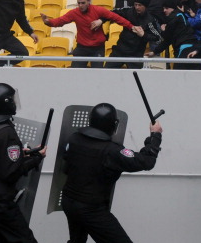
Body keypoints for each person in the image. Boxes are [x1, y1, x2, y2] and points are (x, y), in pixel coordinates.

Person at [62, 103, 162, 243]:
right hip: (91, 209)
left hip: (68, 201)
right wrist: (155, 135)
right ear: (114, 125)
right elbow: (146, 161)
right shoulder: (112, 151)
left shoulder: (74, 139)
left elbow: (65, 165)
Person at [0, 83, 46, 243]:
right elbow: (10, 173)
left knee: (5, 238)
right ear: (6, 102)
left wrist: (19, 153)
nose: (15, 103)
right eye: (12, 99)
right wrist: (36, 158)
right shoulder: (6, 132)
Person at [41, 0, 141, 68]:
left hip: (97, 48)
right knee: (75, 75)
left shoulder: (98, 10)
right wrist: (48, 22)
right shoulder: (74, 13)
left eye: (83, 3)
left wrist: (131, 27)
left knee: (97, 76)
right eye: (78, 3)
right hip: (81, 48)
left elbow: (116, 18)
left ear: (89, 1)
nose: (80, 5)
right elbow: (60, 21)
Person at [104, 0, 162, 69]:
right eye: (135, 5)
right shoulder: (129, 11)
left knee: (135, 78)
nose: (137, 7)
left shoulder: (150, 20)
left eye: (140, 5)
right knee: (107, 72)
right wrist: (101, 20)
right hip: (120, 50)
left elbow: (157, 37)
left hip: (135, 54)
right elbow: (111, 13)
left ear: (145, 6)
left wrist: (143, 35)